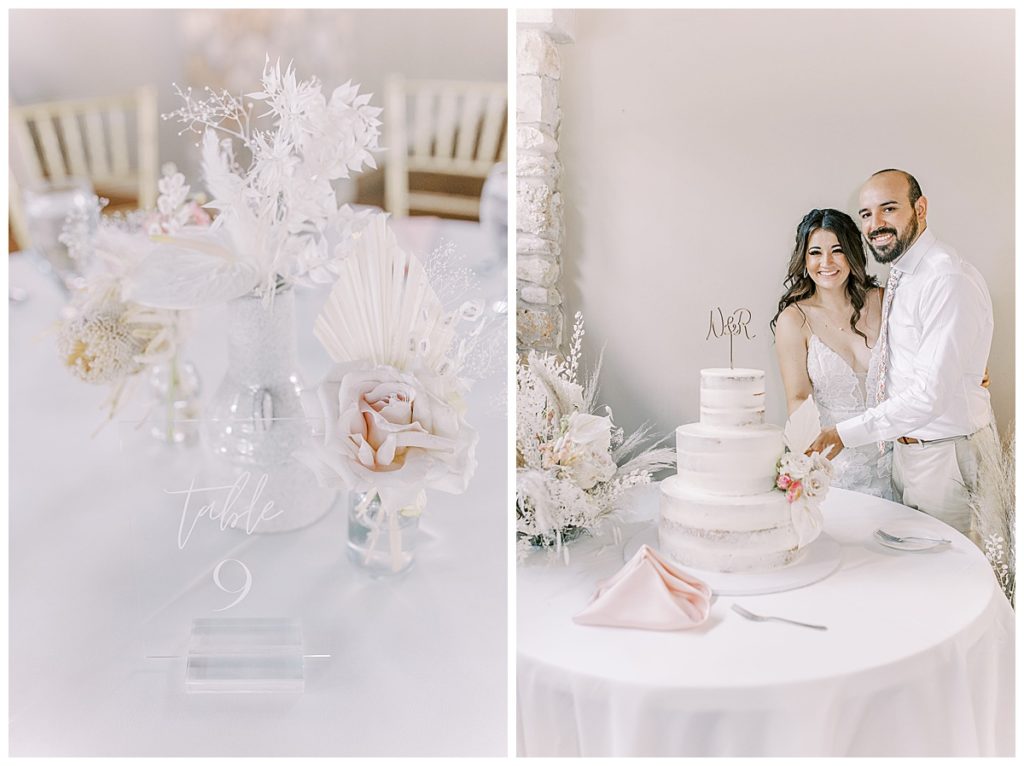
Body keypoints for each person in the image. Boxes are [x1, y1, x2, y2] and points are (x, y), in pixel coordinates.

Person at [808, 169, 995, 538]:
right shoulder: (902, 273)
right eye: (866, 214)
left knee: (949, 565)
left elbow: (930, 393)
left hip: (944, 457)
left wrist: (845, 433)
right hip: (904, 454)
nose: (875, 224)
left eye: (888, 209)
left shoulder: (945, 277)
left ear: (919, 208)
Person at [772, 208, 891, 498]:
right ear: (804, 259)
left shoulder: (885, 300)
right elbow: (798, 398)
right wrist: (807, 460)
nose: (826, 262)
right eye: (815, 252)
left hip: (895, 457)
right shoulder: (794, 319)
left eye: (837, 251)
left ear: (852, 253)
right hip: (837, 466)